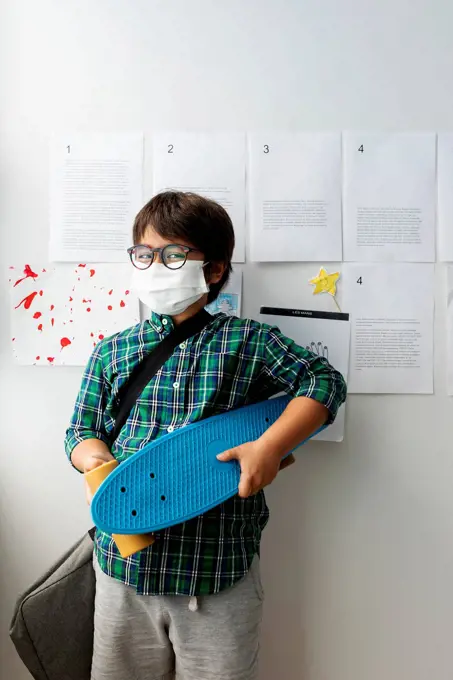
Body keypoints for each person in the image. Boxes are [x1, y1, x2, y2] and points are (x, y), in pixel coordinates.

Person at [65, 191, 347, 680]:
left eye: (174, 255)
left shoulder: (247, 341)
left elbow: (324, 383)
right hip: (123, 570)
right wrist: (93, 460)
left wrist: (271, 446)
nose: (155, 265)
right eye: (145, 254)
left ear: (214, 270)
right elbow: (81, 428)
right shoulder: (113, 351)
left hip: (216, 571)